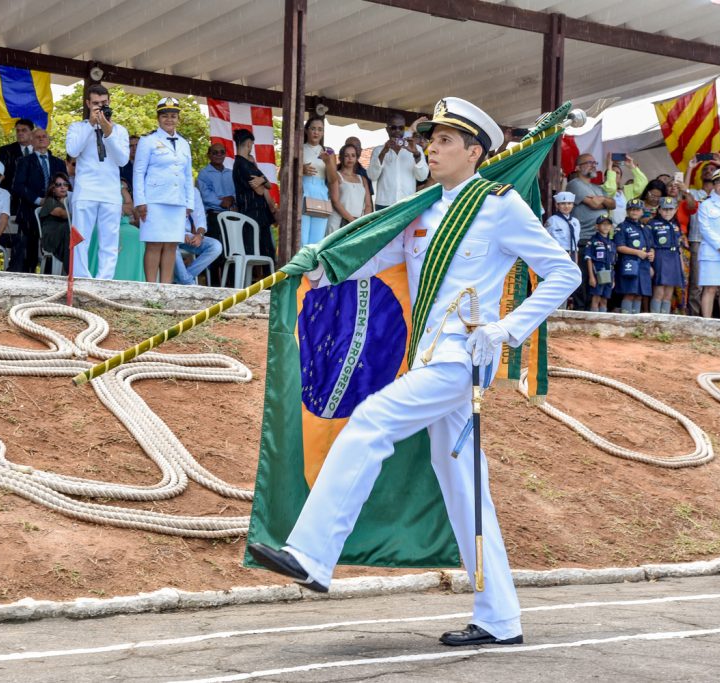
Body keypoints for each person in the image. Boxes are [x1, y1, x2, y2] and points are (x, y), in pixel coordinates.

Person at [247, 97, 580, 648]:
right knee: (465, 486)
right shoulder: (423, 209)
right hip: (429, 356)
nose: (433, 146)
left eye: (446, 140)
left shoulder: (498, 206)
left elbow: (561, 273)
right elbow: (379, 259)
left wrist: (505, 329)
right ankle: (500, 618)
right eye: (433, 138)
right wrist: (316, 267)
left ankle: (311, 555)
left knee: (371, 420)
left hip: (461, 358)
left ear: (475, 152)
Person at [66, 83, 130, 279]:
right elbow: (72, 151)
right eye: (96, 104)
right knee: (80, 240)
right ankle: (80, 279)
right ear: (88, 103)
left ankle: (105, 282)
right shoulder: (77, 127)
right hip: (85, 192)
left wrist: (107, 130)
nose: (100, 107)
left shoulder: (119, 131)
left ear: (109, 102)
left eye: (103, 103)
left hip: (110, 193)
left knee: (109, 242)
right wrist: (91, 126)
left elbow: (122, 160)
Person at [133, 97, 193, 283]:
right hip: (154, 200)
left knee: (171, 245)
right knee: (154, 244)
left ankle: (166, 288)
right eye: (165, 116)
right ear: (158, 118)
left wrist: (189, 203)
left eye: (173, 116)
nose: (169, 119)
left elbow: (187, 175)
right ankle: (151, 287)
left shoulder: (184, 144)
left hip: (177, 201)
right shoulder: (148, 141)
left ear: (178, 118)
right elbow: (138, 172)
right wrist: (140, 201)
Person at [13, 127, 67, 272]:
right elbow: (18, 186)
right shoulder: (24, 161)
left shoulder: (59, 163)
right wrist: (38, 200)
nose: (41, 139)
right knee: (25, 252)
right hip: (29, 211)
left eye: (44, 136)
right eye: (37, 137)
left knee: (56, 241)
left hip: (54, 212)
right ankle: (22, 277)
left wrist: (54, 201)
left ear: (49, 141)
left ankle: (50, 274)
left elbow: (66, 185)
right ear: (31, 141)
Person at [567, 154, 615, 309]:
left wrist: (601, 199)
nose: (593, 165)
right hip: (584, 239)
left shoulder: (598, 187)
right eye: (588, 163)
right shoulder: (574, 184)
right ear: (578, 167)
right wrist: (603, 201)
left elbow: (613, 204)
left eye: (595, 162)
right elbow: (594, 204)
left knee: (599, 280)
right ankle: (581, 311)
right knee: (584, 278)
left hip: (601, 239)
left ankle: (591, 310)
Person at [231, 128, 277, 270]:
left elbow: (268, 185)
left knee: (267, 254)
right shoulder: (242, 165)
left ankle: (269, 286)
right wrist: (263, 182)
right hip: (251, 215)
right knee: (259, 255)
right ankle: (269, 288)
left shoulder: (248, 164)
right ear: (249, 143)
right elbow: (259, 190)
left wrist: (262, 179)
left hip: (259, 216)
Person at [367, 112, 428, 210]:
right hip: (384, 204)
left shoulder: (416, 149)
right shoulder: (378, 150)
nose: (397, 131)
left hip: (407, 203)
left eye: (401, 128)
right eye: (393, 128)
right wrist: (383, 153)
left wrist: (416, 154)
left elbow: (422, 177)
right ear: (387, 129)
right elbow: (372, 176)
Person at [196, 142, 236, 279]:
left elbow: (236, 193)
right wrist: (221, 201)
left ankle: (231, 283)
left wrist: (232, 200)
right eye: (215, 152)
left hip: (232, 217)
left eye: (222, 152)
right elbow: (205, 195)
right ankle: (214, 283)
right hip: (214, 216)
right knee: (215, 250)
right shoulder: (204, 173)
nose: (219, 155)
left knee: (231, 250)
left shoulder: (231, 173)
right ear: (209, 155)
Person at [695, 167, 720, 319]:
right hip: (712, 252)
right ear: (714, 185)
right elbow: (705, 229)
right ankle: (706, 323)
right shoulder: (705, 205)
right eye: (718, 182)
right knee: (709, 288)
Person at [174, 186, 222, 286]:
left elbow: (200, 218)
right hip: (169, 234)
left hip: (187, 235)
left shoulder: (193, 191)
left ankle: (183, 279)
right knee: (170, 246)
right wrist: (179, 234)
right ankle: (188, 283)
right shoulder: (166, 186)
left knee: (215, 246)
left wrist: (199, 235)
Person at [613, 198, 653, 314]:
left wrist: (651, 254)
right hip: (629, 263)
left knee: (639, 294)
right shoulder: (622, 226)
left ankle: (635, 321)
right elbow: (619, 247)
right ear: (627, 211)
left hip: (644, 264)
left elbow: (650, 246)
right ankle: (626, 319)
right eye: (631, 210)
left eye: (637, 210)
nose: (634, 212)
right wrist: (637, 252)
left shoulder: (645, 228)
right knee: (629, 293)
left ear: (642, 212)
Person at [300, 116, 334, 245]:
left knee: (317, 241)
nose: (316, 132)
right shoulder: (299, 148)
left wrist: (328, 162)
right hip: (304, 192)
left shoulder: (328, 152)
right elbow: (283, 174)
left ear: (323, 132)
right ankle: (302, 265)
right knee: (302, 238)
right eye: (313, 128)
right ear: (306, 130)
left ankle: (313, 265)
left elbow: (332, 180)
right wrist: (300, 170)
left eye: (320, 129)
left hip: (321, 195)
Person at [649, 196, 686, 315]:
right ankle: (655, 319)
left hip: (674, 257)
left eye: (670, 209)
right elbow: (649, 244)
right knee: (659, 291)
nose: (667, 212)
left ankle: (664, 321)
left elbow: (678, 246)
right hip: (660, 256)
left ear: (675, 210)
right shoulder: (652, 224)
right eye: (664, 209)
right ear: (659, 210)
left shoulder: (676, 225)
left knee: (668, 293)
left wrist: (681, 264)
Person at [327, 142, 371, 234]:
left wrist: (363, 222)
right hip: (338, 222)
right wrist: (353, 221)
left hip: (358, 223)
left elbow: (368, 205)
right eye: (346, 155)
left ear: (356, 158)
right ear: (341, 158)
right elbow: (335, 201)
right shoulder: (336, 176)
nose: (350, 158)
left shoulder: (362, 179)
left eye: (353, 155)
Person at [0, 117, 34, 214]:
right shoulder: (6, 151)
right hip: (12, 200)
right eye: (18, 131)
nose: (20, 133)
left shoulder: (41, 151)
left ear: (32, 133)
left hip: (35, 200)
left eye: (24, 130)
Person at [37, 172, 72, 273]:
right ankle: (70, 269)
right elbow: (61, 213)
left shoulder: (71, 203)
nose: (63, 187)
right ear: (53, 188)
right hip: (51, 236)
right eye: (58, 185)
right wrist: (81, 215)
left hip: (64, 234)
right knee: (69, 229)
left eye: (65, 184)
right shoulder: (50, 201)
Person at [601, 154, 645, 226]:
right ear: (605, 177)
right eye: (612, 172)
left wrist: (632, 166)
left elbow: (642, 183)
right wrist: (609, 167)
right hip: (609, 230)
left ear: (621, 178)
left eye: (617, 173)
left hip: (626, 229)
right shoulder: (601, 188)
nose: (614, 174)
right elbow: (610, 188)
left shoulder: (626, 190)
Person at [584, 214, 616, 312]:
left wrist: (613, 279)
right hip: (597, 272)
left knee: (605, 298)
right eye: (603, 224)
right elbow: (589, 259)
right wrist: (591, 277)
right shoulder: (593, 241)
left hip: (609, 273)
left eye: (608, 224)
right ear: (597, 226)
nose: (606, 226)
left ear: (611, 227)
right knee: (596, 297)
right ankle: (593, 321)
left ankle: (603, 321)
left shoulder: (612, 243)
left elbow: (613, 262)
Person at [544, 191, 580, 261]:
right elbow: (545, 238)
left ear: (573, 205)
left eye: (569, 203)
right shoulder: (552, 220)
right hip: (558, 253)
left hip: (573, 253)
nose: (566, 206)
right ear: (557, 205)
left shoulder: (575, 221)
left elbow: (576, 241)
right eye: (563, 204)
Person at [344, 135, 373, 202]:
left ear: (360, 151)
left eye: (356, 148)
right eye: (350, 147)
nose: (353, 151)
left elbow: (369, 200)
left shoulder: (365, 174)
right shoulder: (335, 171)